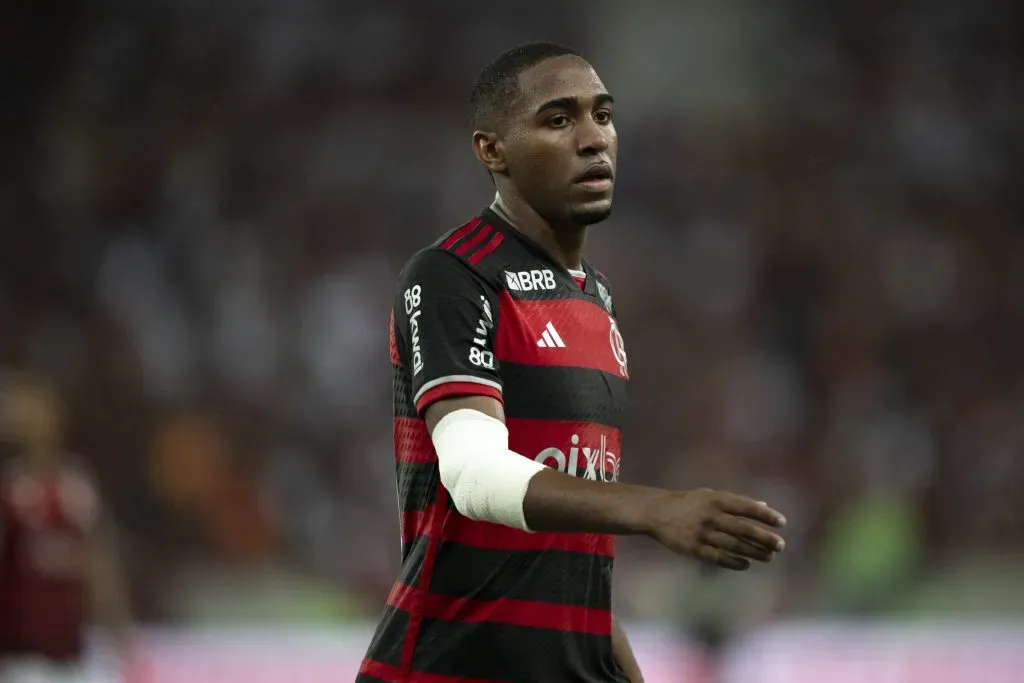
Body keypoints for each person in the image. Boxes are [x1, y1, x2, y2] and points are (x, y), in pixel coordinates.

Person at [359, 42, 787, 683]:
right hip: (449, 668)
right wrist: (655, 510)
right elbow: (475, 477)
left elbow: (569, 552)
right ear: (492, 150)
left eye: (603, 115)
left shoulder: (597, 300)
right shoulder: (454, 274)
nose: (593, 139)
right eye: (558, 120)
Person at [0, 375, 134, 683]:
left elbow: (98, 567)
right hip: (20, 654)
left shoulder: (77, 488)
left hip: (70, 651)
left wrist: (121, 637)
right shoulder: (11, 489)